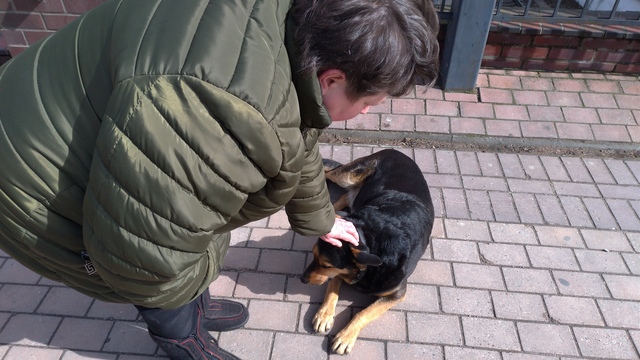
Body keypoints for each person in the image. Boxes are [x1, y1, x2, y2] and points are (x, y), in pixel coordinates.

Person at [0, 0, 440, 358]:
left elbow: (296, 130)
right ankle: (182, 340)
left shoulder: (290, 29)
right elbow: (143, 253)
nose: (367, 113)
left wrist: (321, 217)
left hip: (48, 115)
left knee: (188, 235)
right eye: (371, 102)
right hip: (31, 181)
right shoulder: (217, 114)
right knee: (159, 264)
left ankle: (196, 308)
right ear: (334, 78)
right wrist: (190, 274)